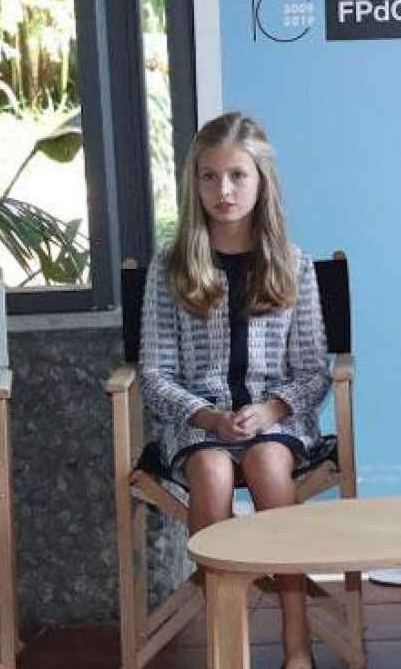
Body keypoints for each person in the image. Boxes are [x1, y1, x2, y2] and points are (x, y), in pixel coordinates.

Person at [139, 112, 330, 669]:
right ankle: (230, 645)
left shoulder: (293, 265)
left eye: (237, 176)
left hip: (278, 420)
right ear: (192, 183)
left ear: (262, 181)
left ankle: (297, 644)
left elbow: (313, 370)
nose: (223, 191)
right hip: (198, 424)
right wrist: (209, 418)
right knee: (211, 472)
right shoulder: (170, 268)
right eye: (209, 177)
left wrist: (271, 409)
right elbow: (155, 374)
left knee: (271, 467)